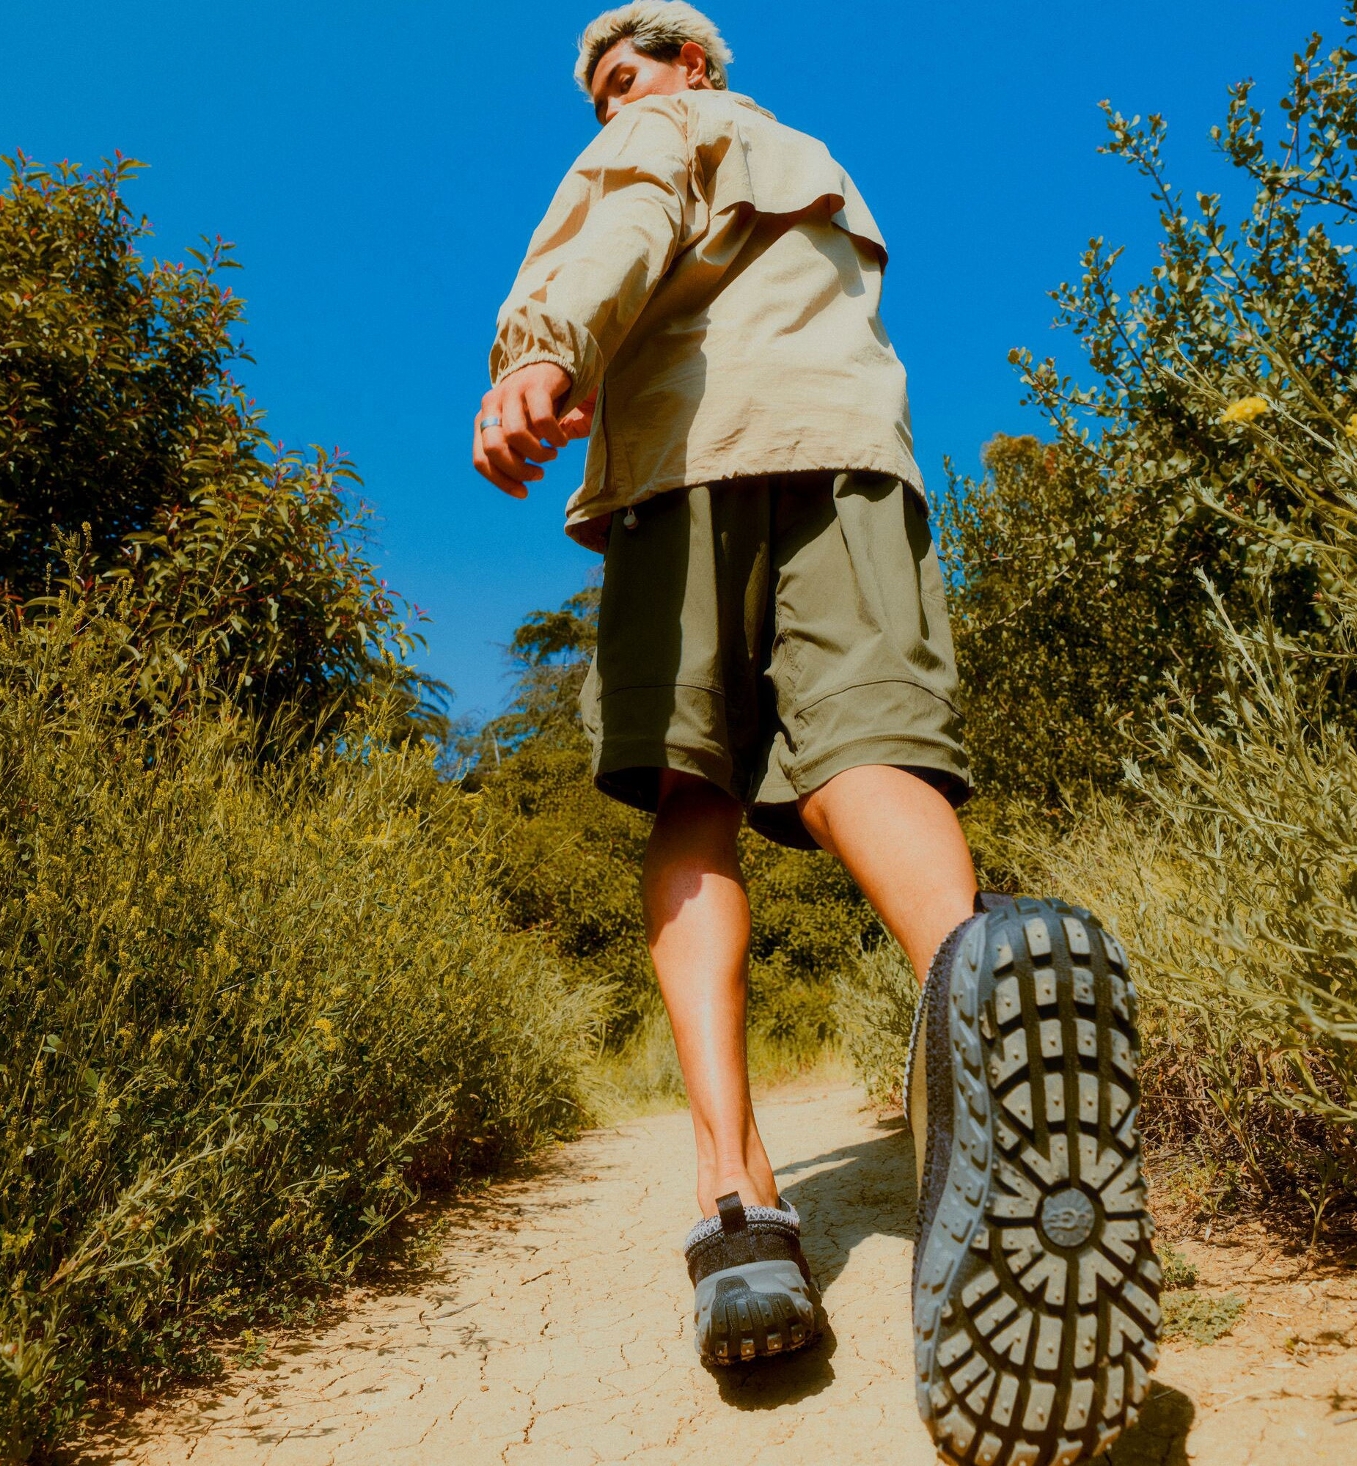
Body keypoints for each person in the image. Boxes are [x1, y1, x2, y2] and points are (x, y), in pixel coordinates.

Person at [471, 5, 1160, 1459]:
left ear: (691, 67)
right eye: (599, 88)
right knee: (869, 757)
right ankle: (991, 1046)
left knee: (690, 802)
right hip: (860, 457)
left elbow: (624, 221)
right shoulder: (821, 161)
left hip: (690, 468)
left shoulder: (666, 135)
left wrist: (537, 352)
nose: (611, 104)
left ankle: (740, 1200)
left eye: (626, 73)